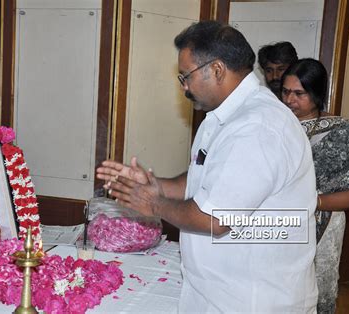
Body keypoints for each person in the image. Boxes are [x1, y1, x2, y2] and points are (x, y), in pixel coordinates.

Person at [97, 21, 318, 312]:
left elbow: (215, 218)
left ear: (216, 70)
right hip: (218, 292)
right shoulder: (221, 117)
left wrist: (155, 204)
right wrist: (155, 185)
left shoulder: (258, 126)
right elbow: (207, 179)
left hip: (255, 298)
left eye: (185, 76)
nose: (184, 87)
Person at [281, 58, 349, 314]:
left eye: (299, 93)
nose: (290, 99)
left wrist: (315, 202)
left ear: (316, 94)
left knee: (316, 291)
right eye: (286, 91)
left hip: (325, 220)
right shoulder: (273, 125)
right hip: (279, 220)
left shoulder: (342, 132)